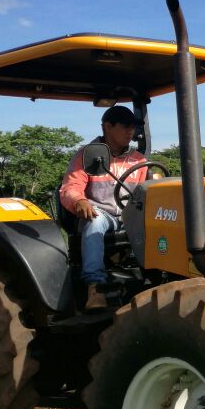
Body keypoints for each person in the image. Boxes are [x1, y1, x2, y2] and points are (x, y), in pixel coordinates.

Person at [59, 105, 148, 310]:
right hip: (102, 213)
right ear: (107, 126)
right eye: (125, 126)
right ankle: (95, 286)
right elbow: (70, 188)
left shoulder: (139, 160)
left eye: (132, 128)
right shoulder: (86, 157)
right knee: (95, 220)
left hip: (131, 215)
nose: (130, 132)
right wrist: (79, 201)